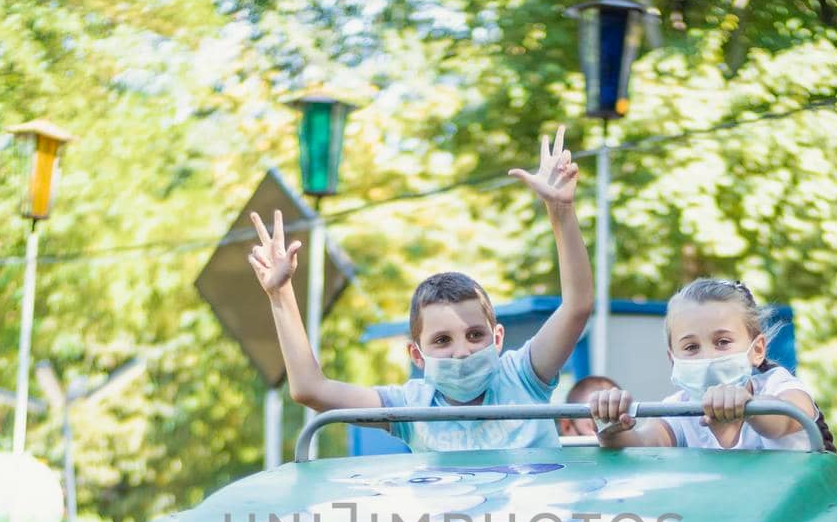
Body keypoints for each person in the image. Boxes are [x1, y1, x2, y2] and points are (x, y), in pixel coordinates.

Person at [246, 127, 592, 452]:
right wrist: (281, 294)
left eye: (475, 335)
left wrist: (561, 212)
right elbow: (310, 389)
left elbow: (577, 306)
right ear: (416, 354)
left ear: (497, 337)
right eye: (442, 340)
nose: (462, 352)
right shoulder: (411, 406)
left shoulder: (523, 377)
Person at [585, 277, 835, 453]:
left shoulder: (779, 387)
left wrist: (747, 404)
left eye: (723, 342)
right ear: (673, 360)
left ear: (757, 350)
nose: (708, 357)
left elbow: (787, 419)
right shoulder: (678, 409)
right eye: (691, 347)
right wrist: (612, 428)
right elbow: (644, 444)